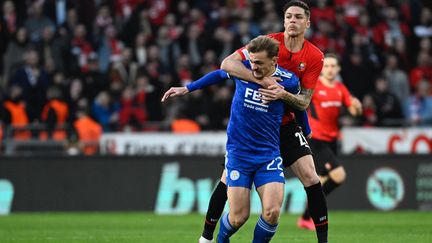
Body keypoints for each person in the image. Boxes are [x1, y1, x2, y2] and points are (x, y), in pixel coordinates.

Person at [200, 1, 329, 243]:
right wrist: (262, 82)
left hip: (286, 125)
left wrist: (283, 95)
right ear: (283, 21)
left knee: (311, 178)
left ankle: (323, 241)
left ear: (307, 23)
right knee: (227, 182)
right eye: (288, 16)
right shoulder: (267, 43)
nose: (293, 20)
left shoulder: (314, 56)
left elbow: (304, 103)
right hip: (254, 124)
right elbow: (227, 64)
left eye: (298, 17)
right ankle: (207, 237)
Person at [162, 35, 310, 243]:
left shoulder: (289, 81)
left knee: (272, 212)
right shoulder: (242, 71)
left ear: (274, 61)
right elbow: (219, 73)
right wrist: (188, 88)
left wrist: (307, 130)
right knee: (239, 217)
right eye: (251, 61)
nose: (253, 66)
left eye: (259, 62)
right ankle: (221, 239)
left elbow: (299, 106)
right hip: (239, 154)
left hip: (269, 154)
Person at [298, 53, 362, 230]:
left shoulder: (341, 88)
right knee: (338, 175)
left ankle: (305, 218)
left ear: (338, 69)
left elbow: (355, 111)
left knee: (320, 182)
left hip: (332, 140)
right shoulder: (314, 87)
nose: (330, 69)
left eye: (333, 66)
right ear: (321, 69)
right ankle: (310, 214)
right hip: (316, 139)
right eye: (327, 66)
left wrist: (357, 107)